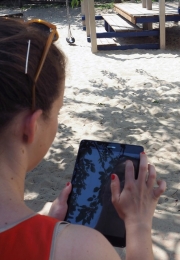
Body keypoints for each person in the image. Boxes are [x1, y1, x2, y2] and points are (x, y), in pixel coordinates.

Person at [0, 17, 166, 260]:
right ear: (31, 126)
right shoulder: (80, 249)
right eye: (56, 113)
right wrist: (139, 225)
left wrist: (42, 228)